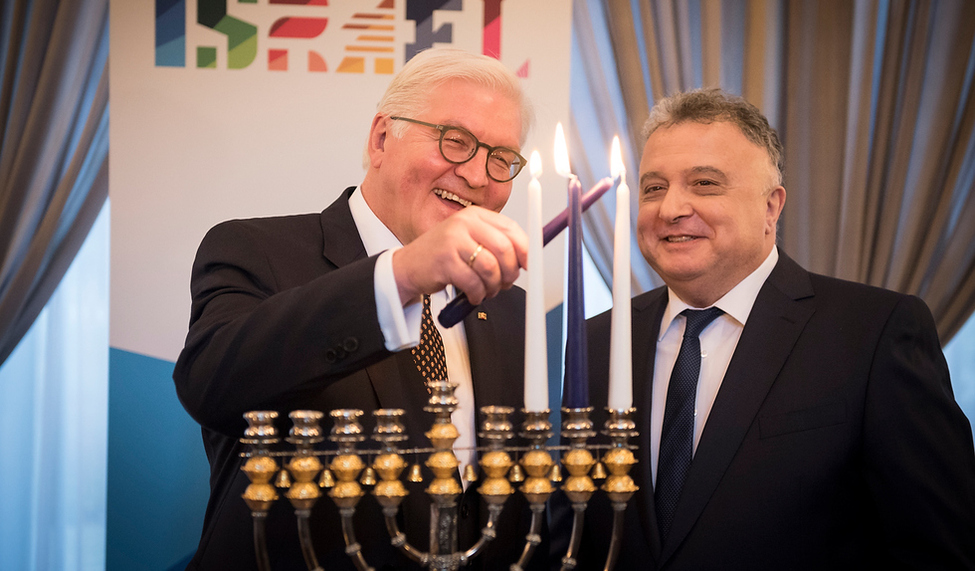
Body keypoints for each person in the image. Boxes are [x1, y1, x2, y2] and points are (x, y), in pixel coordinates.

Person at [174, 48, 546, 570]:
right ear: (381, 138)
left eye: (501, 158)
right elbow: (212, 386)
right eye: (456, 141)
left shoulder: (513, 311)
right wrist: (402, 274)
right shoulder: (255, 251)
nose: (479, 176)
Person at [570, 88, 975, 569]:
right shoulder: (593, 345)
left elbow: (941, 549)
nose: (670, 208)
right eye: (653, 187)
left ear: (771, 207)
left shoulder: (873, 333)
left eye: (704, 183)